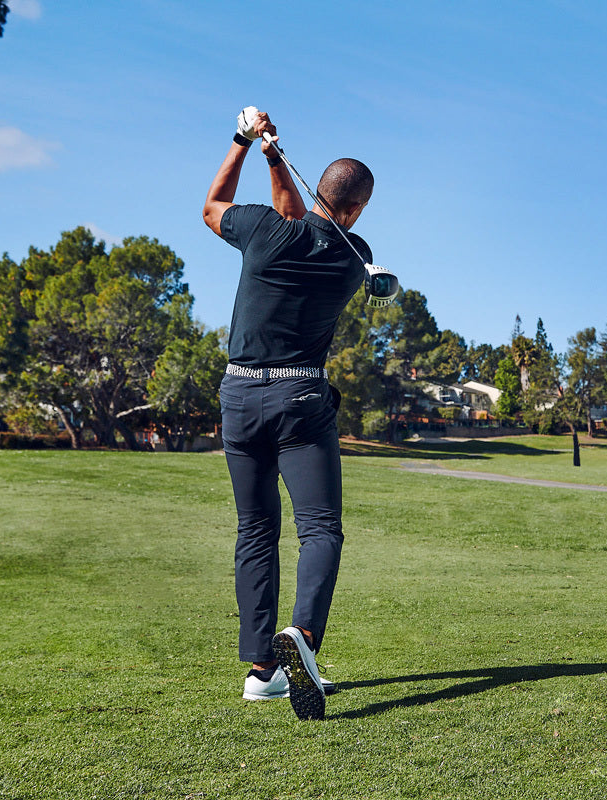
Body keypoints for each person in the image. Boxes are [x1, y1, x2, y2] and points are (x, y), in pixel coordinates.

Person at [203, 107, 374, 721]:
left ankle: (260, 670)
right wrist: (277, 157)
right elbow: (305, 220)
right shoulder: (357, 257)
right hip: (302, 400)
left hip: (240, 398)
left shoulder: (263, 231)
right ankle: (301, 636)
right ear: (355, 209)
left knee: (255, 531)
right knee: (320, 529)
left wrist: (243, 143)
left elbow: (213, 204)